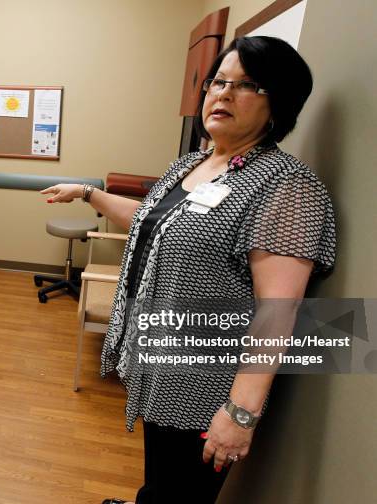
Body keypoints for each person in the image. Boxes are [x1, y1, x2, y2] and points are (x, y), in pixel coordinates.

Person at [40, 36, 336, 503]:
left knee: (181, 495)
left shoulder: (286, 185)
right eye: (218, 81)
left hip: (207, 385)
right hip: (163, 367)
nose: (223, 93)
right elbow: (152, 220)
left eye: (247, 85)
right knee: (162, 482)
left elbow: (279, 311)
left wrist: (240, 414)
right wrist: (88, 192)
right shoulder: (196, 164)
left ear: (279, 101)